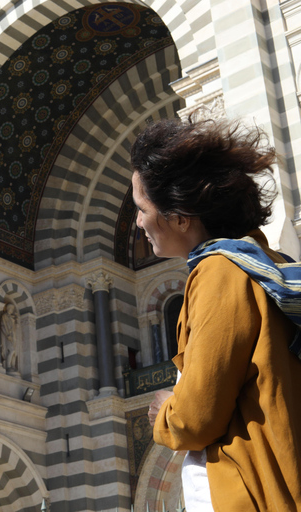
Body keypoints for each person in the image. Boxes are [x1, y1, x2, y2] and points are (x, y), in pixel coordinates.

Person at [134, 117, 301, 510]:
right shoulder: (265, 264)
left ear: (179, 215)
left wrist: (164, 412)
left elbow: (196, 419)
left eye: (142, 208)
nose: (139, 221)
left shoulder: (218, 272)